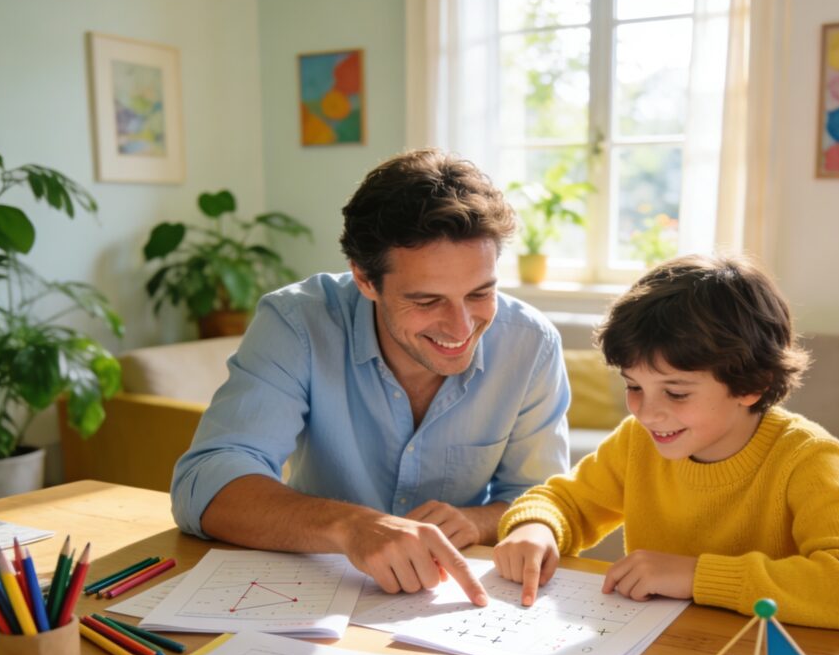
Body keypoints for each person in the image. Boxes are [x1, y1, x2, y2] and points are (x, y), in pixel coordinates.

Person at [171, 148, 571, 606]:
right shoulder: (296, 323)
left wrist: (476, 521)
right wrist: (351, 527)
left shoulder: (531, 343)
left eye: (480, 293)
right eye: (427, 301)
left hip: (451, 607)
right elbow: (204, 482)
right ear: (364, 279)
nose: (461, 329)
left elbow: (540, 496)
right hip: (308, 592)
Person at [493, 254, 839, 632]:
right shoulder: (638, 441)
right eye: (634, 386)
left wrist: (696, 576)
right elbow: (567, 503)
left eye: (676, 393)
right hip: (658, 653)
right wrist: (537, 526)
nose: (646, 412)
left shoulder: (808, 458)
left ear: (751, 385)